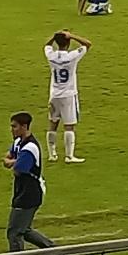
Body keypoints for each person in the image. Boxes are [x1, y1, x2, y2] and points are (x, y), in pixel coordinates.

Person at [0, 112, 63, 255]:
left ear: (24, 127)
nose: (12, 129)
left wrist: (12, 162)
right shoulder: (19, 143)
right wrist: (12, 161)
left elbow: (18, 169)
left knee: (14, 232)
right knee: (24, 230)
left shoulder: (30, 147)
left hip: (29, 194)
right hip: (22, 191)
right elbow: (7, 159)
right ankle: (58, 254)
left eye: (14, 126)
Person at [44, 30, 93, 163]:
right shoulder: (72, 56)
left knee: (53, 123)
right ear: (68, 42)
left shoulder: (51, 56)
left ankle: (52, 154)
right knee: (69, 125)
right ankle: (69, 156)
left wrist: (54, 36)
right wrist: (71, 35)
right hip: (69, 95)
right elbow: (88, 44)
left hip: (54, 94)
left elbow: (46, 46)